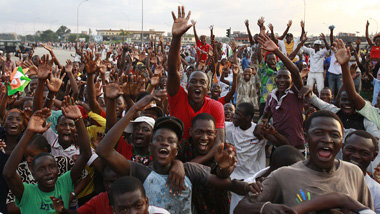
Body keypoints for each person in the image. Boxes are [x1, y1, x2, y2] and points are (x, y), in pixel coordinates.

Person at [234, 110, 373, 213]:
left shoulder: (354, 173)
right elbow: (241, 208)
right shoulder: (283, 175)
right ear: (306, 138)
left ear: (341, 141)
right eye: (318, 133)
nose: (327, 139)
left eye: (334, 135)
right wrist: (265, 208)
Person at [3, 104, 92, 213]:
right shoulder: (26, 191)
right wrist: (29, 132)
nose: (48, 172)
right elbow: (8, 173)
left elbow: (86, 154)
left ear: (58, 169)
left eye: (52, 167)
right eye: (41, 169)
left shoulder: (63, 183)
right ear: (33, 174)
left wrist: (78, 120)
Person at [167, 5, 225, 165]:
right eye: (193, 81)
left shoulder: (216, 107)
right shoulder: (177, 97)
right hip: (177, 158)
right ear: (186, 85)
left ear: (207, 88)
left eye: (202, 82)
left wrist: (192, 166)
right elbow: (172, 71)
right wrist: (176, 38)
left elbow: (219, 143)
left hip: (206, 162)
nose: (197, 85)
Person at [178, 113, 235, 214]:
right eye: (199, 132)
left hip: (218, 206)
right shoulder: (183, 148)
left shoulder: (224, 149)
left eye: (209, 133)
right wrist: (177, 164)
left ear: (215, 133)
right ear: (191, 132)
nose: (204, 137)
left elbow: (224, 173)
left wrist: (223, 168)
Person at [258, 32, 306, 149]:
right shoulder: (271, 96)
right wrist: (263, 125)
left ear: (292, 80)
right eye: (279, 77)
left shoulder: (296, 92)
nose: (282, 80)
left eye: (286, 77)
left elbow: (294, 71)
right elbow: (266, 115)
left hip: (296, 147)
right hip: (278, 146)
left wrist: (276, 51)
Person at [342, 130, 380, 213]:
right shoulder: (323, 176)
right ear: (342, 148)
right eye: (351, 149)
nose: (356, 156)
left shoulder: (377, 192)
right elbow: (306, 198)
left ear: (374, 156)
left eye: (364, 153)